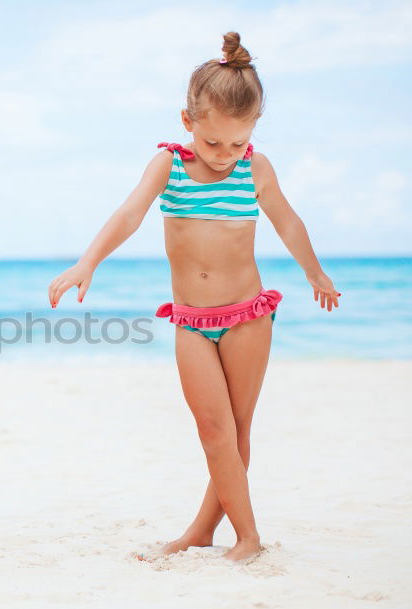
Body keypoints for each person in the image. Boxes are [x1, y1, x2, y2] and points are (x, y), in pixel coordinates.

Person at [48, 33, 340, 562]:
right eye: (213, 144)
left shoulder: (256, 168)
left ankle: (243, 537)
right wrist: (87, 261)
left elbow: (288, 223)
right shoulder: (170, 165)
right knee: (212, 430)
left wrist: (314, 273)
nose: (226, 156)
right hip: (191, 321)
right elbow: (130, 213)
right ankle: (207, 533)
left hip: (247, 316)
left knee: (237, 429)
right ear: (188, 123)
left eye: (236, 143)